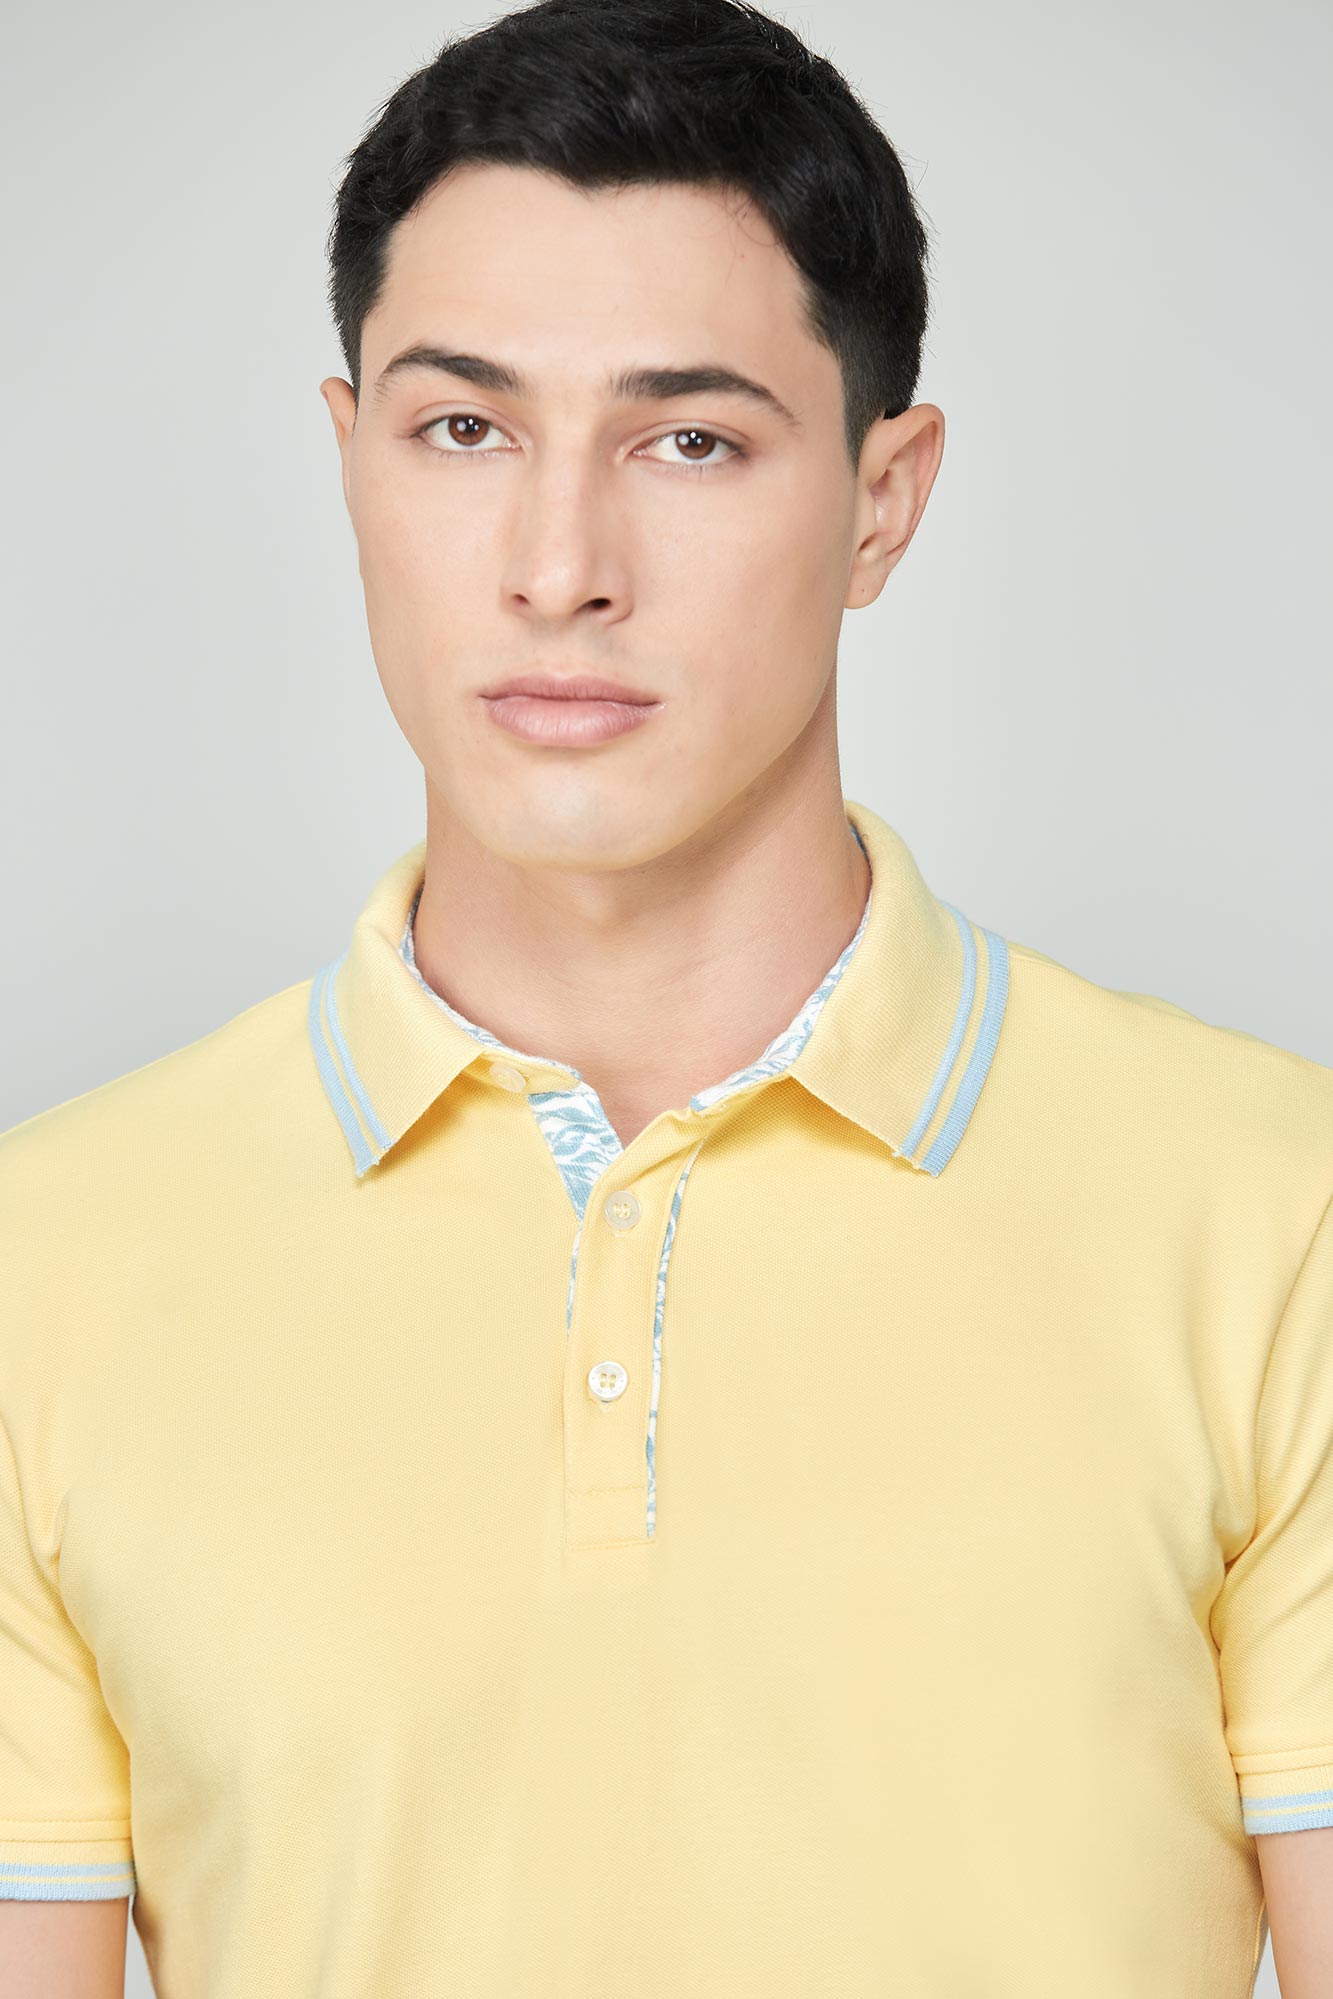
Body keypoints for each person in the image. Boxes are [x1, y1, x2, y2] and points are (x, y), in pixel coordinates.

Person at [2, 1, 1330, 1993]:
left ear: (882, 498)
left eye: (689, 439)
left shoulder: (1279, 1216)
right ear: (348, 460)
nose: (558, 566)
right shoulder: (43, 1265)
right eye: (463, 429)